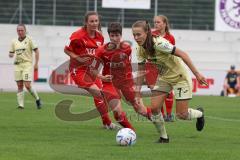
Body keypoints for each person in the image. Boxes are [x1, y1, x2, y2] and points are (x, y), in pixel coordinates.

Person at [132, 20, 207, 143]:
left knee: (181, 115)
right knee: (155, 108)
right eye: (134, 35)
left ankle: (199, 114)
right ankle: (164, 137)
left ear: (147, 32)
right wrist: (137, 93)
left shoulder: (160, 43)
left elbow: (183, 54)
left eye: (138, 34)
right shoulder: (139, 49)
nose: (136, 38)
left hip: (180, 77)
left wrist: (197, 74)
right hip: (164, 78)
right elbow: (141, 71)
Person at [64, 11, 118, 130]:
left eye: (96, 21)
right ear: (86, 22)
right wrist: (79, 59)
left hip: (91, 71)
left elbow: (98, 56)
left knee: (100, 96)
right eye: (91, 21)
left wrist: (100, 74)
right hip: (78, 71)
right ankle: (108, 123)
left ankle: (106, 123)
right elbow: (66, 50)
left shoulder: (100, 37)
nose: (94, 23)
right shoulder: (77, 36)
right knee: (99, 93)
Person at [95, 22, 153, 130]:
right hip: (110, 83)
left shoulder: (127, 49)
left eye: (117, 35)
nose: (115, 38)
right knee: (117, 110)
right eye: (112, 36)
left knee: (140, 109)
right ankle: (132, 132)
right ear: (109, 36)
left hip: (126, 82)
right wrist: (101, 77)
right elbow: (92, 70)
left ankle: (158, 121)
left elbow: (128, 68)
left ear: (121, 35)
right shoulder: (101, 51)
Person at [145, 15, 175, 122]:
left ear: (165, 24)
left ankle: (169, 114)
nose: (156, 24)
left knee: (167, 91)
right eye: (155, 22)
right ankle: (161, 115)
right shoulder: (151, 35)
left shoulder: (170, 38)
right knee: (156, 92)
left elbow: (172, 53)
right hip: (152, 67)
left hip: (164, 67)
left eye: (158, 22)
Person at [9, 24, 42, 109]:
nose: (20, 32)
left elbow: (37, 51)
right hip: (17, 65)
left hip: (27, 65)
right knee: (19, 85)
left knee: (27, 85)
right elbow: (11, 53)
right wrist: (10, 54)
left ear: (25, 30)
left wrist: (36, 63)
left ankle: (37, 99)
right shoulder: (14, 41)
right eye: (18, 30)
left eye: (21, 30)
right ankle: (21, 105)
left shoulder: (30, 39)